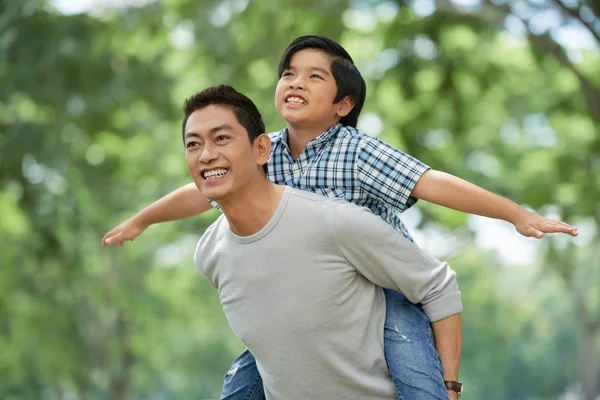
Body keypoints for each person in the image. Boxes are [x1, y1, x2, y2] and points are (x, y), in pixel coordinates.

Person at [102, 35, 577, 399]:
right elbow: (199, 191)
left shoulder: (356, 150)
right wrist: (142, 220)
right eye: (289, 74)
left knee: (415, 375)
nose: (295, 83)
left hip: (384, 290)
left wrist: (515, 214)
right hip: (315, 299)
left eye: (314, 77)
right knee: (246, 379)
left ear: (343, 105)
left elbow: (431, 183)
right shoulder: (265, 150)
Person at [185, 84, 462, 399]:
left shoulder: (333, 221)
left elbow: (438, 286)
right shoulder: (210, 255)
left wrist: (450, 388)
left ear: (262, 149)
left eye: (222, 138)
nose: (207, 155)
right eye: (193, 144)